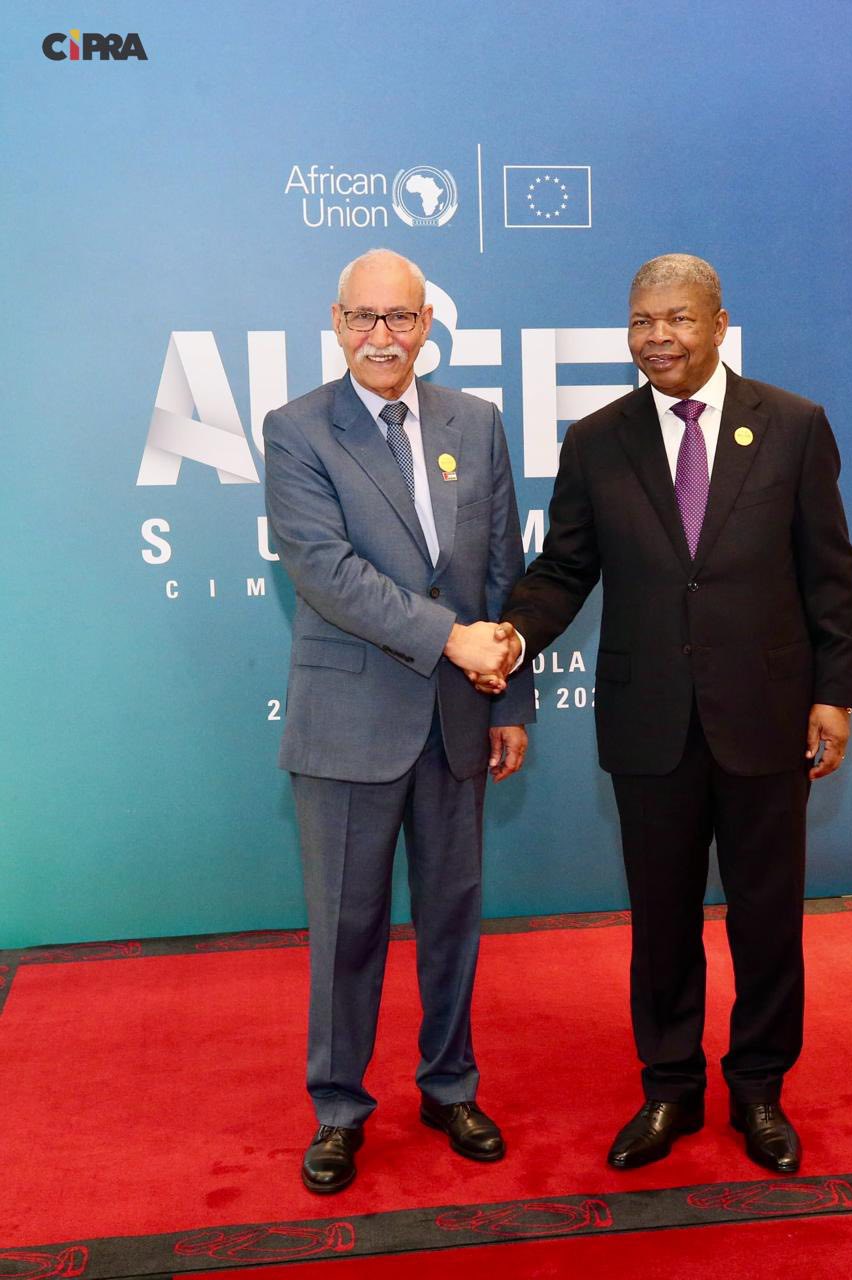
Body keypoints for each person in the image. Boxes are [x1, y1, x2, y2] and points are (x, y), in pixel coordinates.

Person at [485, 253, 852, 1175]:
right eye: (641, 320)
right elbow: (566, 567)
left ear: (719, 324)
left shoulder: (794, 425)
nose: (658, 337)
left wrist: (834, 691)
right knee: (661, 922)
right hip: (648, 720)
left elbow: (830, 572)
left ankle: (760, 1088)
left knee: (766, 917)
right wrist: (511, 635)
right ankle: (670, 1088)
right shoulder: (597, 440)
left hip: (767, 715)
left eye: (679, 319)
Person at [263, 248, 533, 1194]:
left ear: (427, 325)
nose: (382, 337)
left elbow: (500, 568)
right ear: (337, 323)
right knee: (348, 929)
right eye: (364, 318)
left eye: (401, 318)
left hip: (459, 721)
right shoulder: (297, 429)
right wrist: (452, 639)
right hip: (348, 724)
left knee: (454, 918)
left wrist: (511, 698)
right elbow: (326, 572)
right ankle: (339, 1108)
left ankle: (450, 1086)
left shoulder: (476, 422)